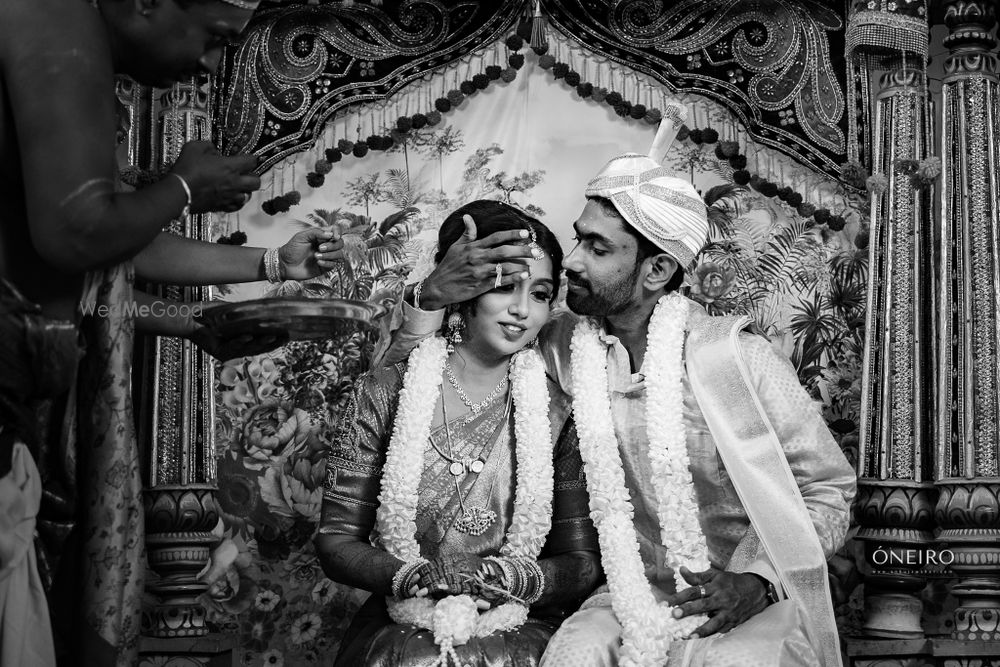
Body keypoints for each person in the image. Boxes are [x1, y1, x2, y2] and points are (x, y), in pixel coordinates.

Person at [377, 154, 857, 666]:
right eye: (579, 237)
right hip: (624, 595)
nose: (572, 262)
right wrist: (430, 295)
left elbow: (828, 489)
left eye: (597, 247)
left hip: (746, 602)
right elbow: (414, 385)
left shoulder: (734, 359)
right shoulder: (559, 344)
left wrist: (758, 581)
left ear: (657, 270)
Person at [0, 1, 343, 665]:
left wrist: (270, 268)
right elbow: (79, 232)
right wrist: (184, 186)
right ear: (146, 3)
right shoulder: (53, 17)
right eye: (215, 38)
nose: (212, 64)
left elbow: (116, 248)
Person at [316, 200, 601, 667]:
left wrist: (517, 579)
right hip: (401, 621)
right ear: (466, 286)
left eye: (541, 293)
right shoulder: (387, 389)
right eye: (505, 286)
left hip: (521, 621)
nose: (521, 310)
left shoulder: (557, 407)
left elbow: (581, 560)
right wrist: (411, 576)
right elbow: (335, 541)